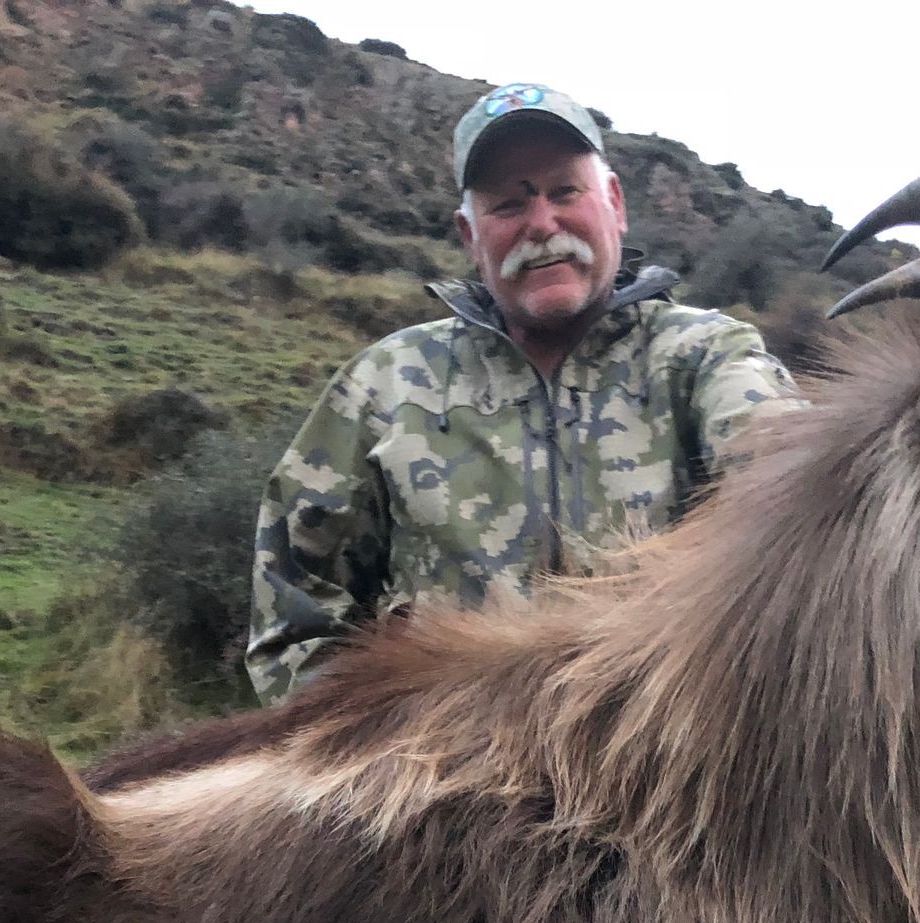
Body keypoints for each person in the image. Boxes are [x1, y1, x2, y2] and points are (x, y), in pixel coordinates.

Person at [246, 83, 800, 703]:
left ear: (614, 203)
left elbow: (793, 487)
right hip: (440, 782)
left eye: (565, 191)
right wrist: (365, 758)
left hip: (670, 772)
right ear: (469, 235)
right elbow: (294, 619)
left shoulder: (706, 356)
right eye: (508, 206)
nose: (542, 224)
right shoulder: (385, 383)